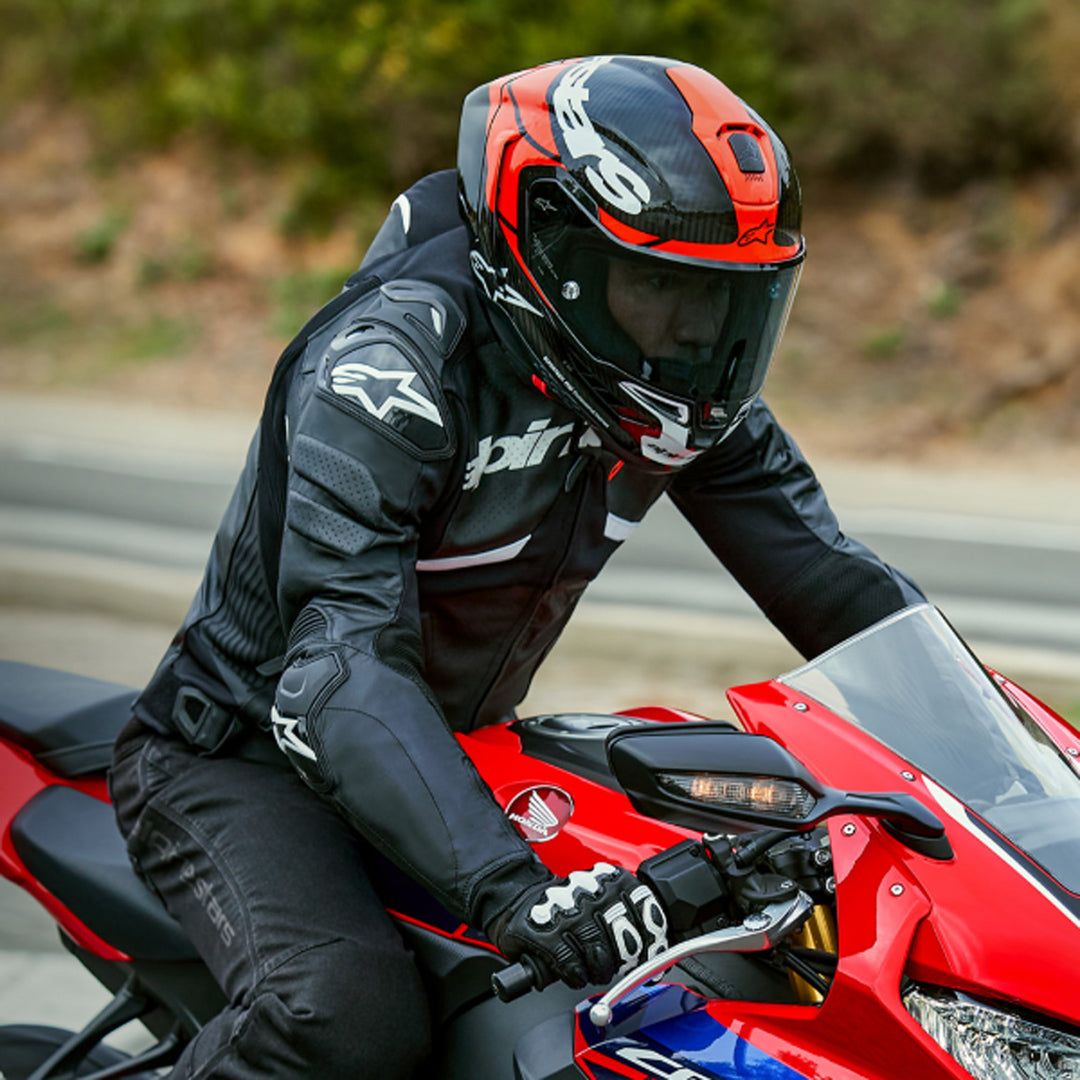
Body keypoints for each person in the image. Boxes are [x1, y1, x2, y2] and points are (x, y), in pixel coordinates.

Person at [109, 54, 924, 1078]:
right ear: (555, 252)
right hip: (238, 758)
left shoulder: (665, 383)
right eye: (662, 285)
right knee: (347, 1020)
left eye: (728, 300)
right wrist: (511, 891)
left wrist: (1020, 789)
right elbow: (339, 674)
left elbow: (836, 584)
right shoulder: (388, 368)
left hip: (451, 748)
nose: (699, 334)